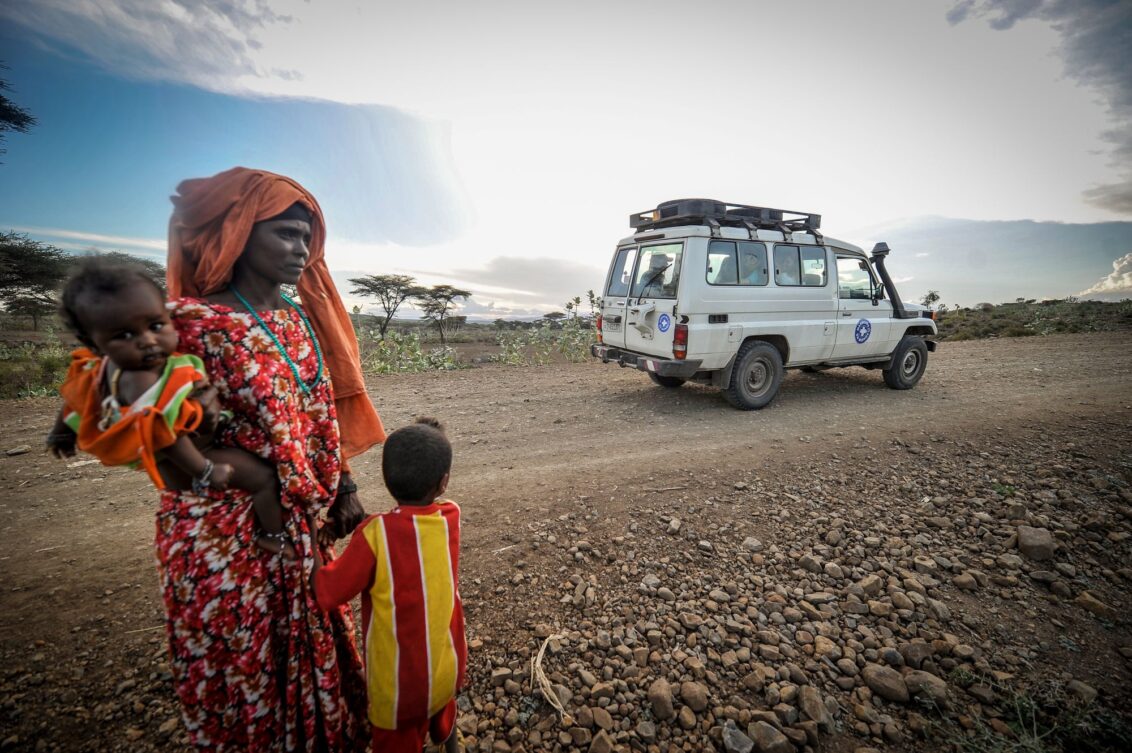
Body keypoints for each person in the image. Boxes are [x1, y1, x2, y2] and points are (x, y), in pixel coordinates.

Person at [158, 167, 386, 752]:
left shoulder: (298, 319)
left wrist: (343, 485)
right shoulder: (192, 327)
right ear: (237, 233)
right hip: (229, 537)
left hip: (298, 526)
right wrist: (255, 474)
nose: (302, 249)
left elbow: (318, 414)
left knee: (311, 652)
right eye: (285, 233)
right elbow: (163, 449)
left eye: (307, 237)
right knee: (248, 664)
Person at [46, 258, 290, 557]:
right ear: (94, 343)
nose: (147, 340)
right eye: (124, 335)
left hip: (175, 453)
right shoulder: (140, 380)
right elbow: (165, 434)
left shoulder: (99, 367)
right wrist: (205, 469)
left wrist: (61, 433)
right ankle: (273, 535)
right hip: (188, 456)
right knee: (264, 479)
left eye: (156, 325)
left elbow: (75, 399)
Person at [311, 417, 466, 753]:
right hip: (445, 670)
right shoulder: (450, 517)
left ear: (385, 479)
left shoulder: (374, 535)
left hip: (398, 694)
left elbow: (327, 593)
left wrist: (310, 538)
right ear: (443, 483)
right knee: (441, 713)